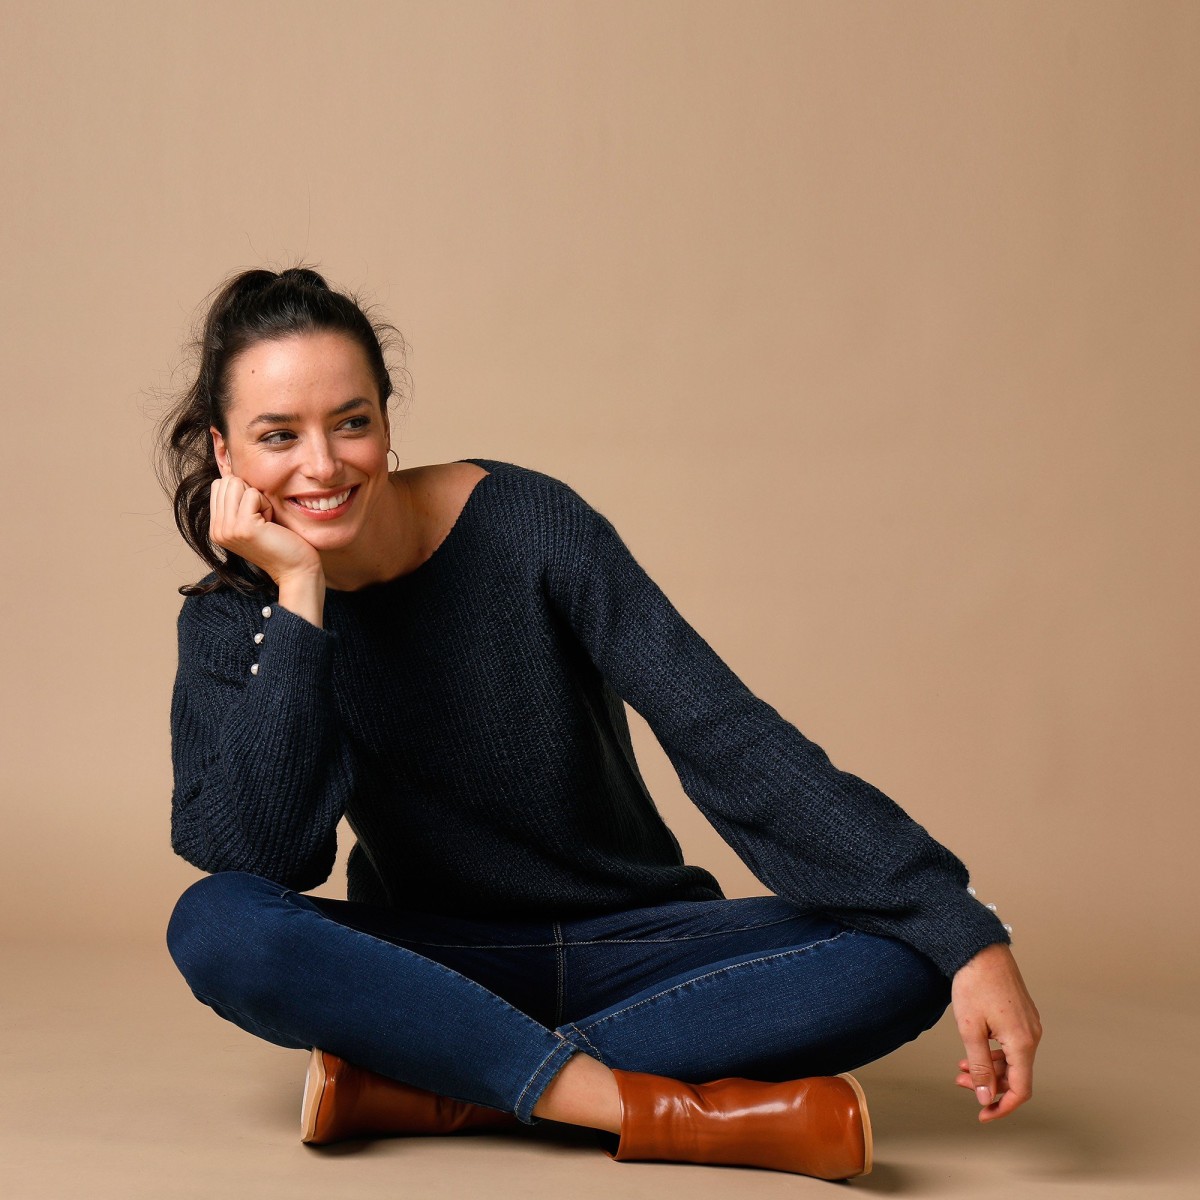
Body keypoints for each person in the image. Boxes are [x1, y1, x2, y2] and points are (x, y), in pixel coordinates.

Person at [156, 265, 1041, 1181]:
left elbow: (725, 734)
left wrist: (963, 929)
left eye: (351, 422)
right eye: (278, 435)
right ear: (225, 452)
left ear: (386, 421)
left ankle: (446, 1081)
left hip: (642, 946)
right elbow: (264, 855)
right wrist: (300, 598)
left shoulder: (529, 524)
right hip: (440, 960)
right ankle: (629, 1105)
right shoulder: (235, 619)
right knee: (218, 923)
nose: (322, 465)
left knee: (908, 955)